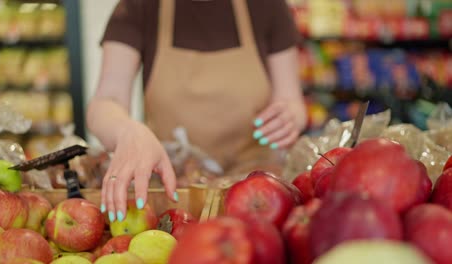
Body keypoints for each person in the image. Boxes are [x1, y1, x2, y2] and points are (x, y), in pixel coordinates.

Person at [86, 0, 307, 223]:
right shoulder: (139, 6)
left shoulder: (268, 6)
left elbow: (291, 101)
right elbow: (106, 101)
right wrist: (128, 131)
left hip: (258, 198)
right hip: (175, 198)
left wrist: (289, 117)